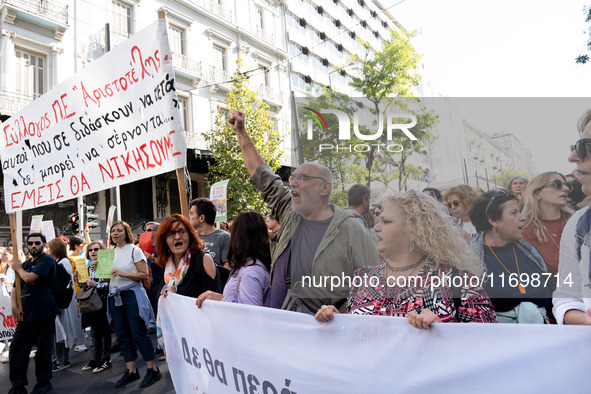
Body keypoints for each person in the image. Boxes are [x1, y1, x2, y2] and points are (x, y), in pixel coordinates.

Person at [229, 110, 380, 315]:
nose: (293, 183)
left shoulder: (350, 227)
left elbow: (375, 286)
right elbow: (262, 176)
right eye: (293, 178)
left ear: (325, 188)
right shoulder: (290, 214)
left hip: (327, 336)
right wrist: (241, 132)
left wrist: (341, 316)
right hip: (283, 331)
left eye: (303, 178)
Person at [315, 191, 496, 328]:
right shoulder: (363, 278)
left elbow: (489, 345)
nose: (376, 227)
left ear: (415, 229)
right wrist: (335, 323)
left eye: (386, 221)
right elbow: (355, 337)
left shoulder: (460, 282)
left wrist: (443, 331)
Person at [470, 189, 553, 323]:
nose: (522, 217)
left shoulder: (530, 253)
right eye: (514, 213)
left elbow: (552, 292)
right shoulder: (471, 261)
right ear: (492, 220)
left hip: (543, 331)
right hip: (499, 337)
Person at [107, 220, 161, 388]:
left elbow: (144, 275)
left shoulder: (134, 250)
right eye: (113, 231)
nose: (115, 233)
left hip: (131, 294)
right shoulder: (108, 253)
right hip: (114, 296)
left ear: (126, 233)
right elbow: (105, 278)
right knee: (122, 335)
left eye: (119, 230)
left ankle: (152, 369)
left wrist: (124, 273)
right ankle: (131, 370)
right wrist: (98, 268)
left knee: (138, 333)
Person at [553, 110, 591, 325]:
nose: (573, 157)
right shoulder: (578, 225)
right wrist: (584, 319)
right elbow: (566, 299)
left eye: (586, 146)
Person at [8, 233, 58, 394]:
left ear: (43, 244)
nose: (34, 245)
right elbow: (16, 286)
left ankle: (44, 383)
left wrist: (18, 268)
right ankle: (18, 385)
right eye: (30, 243)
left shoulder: (47, 260)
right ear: (27, 245)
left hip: (43, 312)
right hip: (26, 314)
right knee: (17, 349)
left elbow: (29, 278)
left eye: (37, 242)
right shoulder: (26, 263)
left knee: (43, 350)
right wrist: (14, 306)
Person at [196, 211, 271, 307]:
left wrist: (220, 299)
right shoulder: (248, 266)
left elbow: (251, 313)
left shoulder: (250, 272)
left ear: (238, 237)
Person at [520, 172, 573, 275]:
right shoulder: (522, 230)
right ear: (536, 193)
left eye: (567, 185)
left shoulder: (579, 223)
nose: (566, 188)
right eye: (557, 184)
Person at [157, 214, 220, 299]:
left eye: (182, 231)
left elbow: (215, 300)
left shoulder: (204, 259)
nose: (177, 237)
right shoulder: (167, 265)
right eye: (171, 233)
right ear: (164, 240)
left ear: (190, 235)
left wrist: (176, 295)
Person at [74, 241, 112, 374]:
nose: (93, 252)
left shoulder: (106, 265)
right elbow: (86, 286)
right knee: (95, 332)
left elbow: (110, 285)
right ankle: (96, 359)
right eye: (90, 250)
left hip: (103, 301)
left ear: (102, 251)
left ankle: (106, 359)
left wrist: (95, 284)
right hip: (92, 303)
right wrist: (78, 279)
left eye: (96, 249)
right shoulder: (88, 267)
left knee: (105, 332)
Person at [46, 238, 83, 372]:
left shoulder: (64, 262)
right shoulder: (59, 262)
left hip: (63, 303)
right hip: (60, 302)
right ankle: (59, 358)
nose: (47, 250)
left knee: (64, 332)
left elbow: (63, 285)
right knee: (59, 333)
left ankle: (63, 360)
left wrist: (60, 304)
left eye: (49, 247)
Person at [189, 197, 231, 270]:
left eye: (191, 214)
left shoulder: (225, 237)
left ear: (201, 218)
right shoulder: (191, 237)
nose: (189, 217)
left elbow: (228, 266)